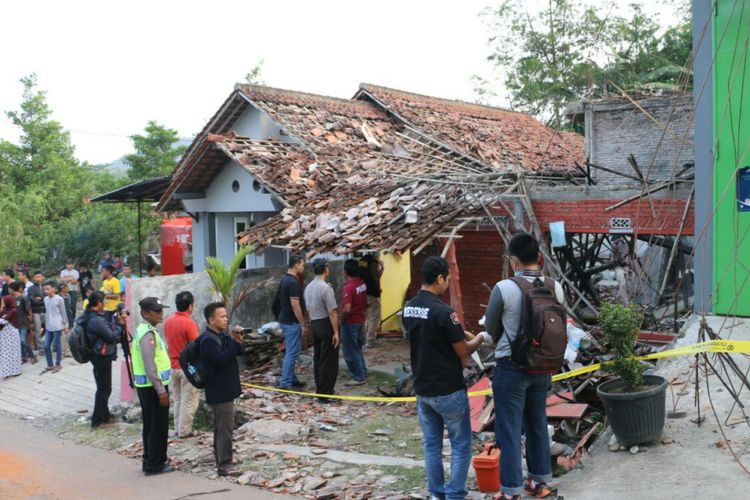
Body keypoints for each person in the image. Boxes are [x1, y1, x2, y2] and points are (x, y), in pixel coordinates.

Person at [484, 233, 564, 500]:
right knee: (537, 424)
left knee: (508, 429)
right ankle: (539, 483)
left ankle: (511, 491)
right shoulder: (556, 286)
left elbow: (492, 328)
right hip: (543, 367)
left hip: (512, 368)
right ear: (539, 257)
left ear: (514, 260)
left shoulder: (504, 288)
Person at [403, 256, 490, 500]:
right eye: (447, 280)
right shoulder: (444, 312)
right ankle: (454, 495)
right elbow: (463, 350)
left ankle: (436, 494)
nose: (447, 284)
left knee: (432, 445)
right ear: (440, 278)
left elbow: (428, 331)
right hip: (448, 389)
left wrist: (458, 331)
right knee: (460, 445)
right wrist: (481, 337)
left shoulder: (409, 307)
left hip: (423, 389)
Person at [199, 302, 244, 476]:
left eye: (226, 316)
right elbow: (222, 359)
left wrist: (237, 339)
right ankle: (224, 464)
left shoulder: (222, 336)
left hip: (227, 388)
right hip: (219, 391)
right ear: (211, 320)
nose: (226, 319)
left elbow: (237, 352)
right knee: (224, 428)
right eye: (222, 316)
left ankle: (223, 459)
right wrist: (233, 343)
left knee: (224, 427)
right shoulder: (208, 340)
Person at [132, 297, 173, 475]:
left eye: (161, 310)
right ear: (145, 313)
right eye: (157, 311)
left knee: (151, 425)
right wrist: (161, 390)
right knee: (157, 427)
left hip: (149, 387)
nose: (160, 313)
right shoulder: (147, 334)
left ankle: (150, 460)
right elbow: (150, 365)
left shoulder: (146, 331)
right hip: (153, 389)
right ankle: (155, 464)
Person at [83, 291, 125, 427]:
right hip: (101, 356)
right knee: (103, 389)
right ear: (99, 303)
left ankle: (105, 416)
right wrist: (120, 325)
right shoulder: (96, 320)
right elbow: (111, 336)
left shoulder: (90, 316)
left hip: (97, 355)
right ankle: (97, 421)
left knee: (103, 388)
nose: (105, 304)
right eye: (104, 301)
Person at [303, 258, 340, 403]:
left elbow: (307, 308)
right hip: (325, 323)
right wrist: (336, 332)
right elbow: (332, 312)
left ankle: (320, 389)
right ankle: (326, 392)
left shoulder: (308, 287)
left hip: (314, 323)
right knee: (328, 360)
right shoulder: (326, 288)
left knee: (318, 358)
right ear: (325, 269)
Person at [164, 291, 200, 438]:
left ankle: (178, 429)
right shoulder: (189, 323)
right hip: (186, 368)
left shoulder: (168, 321)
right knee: (189, 400)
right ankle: (185, 431)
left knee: (178, 399)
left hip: (172, 366)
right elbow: (195, 347)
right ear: (190, 306)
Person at [276, 255, 308, 390]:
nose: (303, 267)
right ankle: (285, 382)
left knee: (291, 351)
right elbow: (296, 305)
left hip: (285, 319)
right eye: (302, 265)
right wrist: (302, 324)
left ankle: (291, 378)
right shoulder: (293, 282)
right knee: (292, 353)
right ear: (296, 265)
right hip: (291, 321)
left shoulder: (285, 279)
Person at [340, 258, 368, 385]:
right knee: (358, 348)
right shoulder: (361, 283)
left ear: (345, 272)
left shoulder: (348, 287)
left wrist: (342, 318)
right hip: (360, 319)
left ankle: (358, 377)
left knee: (350, 350)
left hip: (350, 322)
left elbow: (347, 308)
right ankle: (363, 372)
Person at [42, 280, 69, 373]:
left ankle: (58, 364)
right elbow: (47, 313)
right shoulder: (45, 299)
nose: (46, 291)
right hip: (49, 326)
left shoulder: (59, 299)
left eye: (48, 289)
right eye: (45, 289)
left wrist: (65, 325)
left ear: (53, 289)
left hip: (58, 325)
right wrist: (45, 324)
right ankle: (50, 364)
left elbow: (63, 313)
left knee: (57, 345)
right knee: (46, 346)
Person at [359, 254, 384, 348]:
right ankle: (370, 340)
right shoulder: (373, 262)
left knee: (363, 317)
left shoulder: (361, 262)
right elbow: (376, 276)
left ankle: (363, 339)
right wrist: (382, 267)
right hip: (372, 294)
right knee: (374, 317)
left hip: (362, 293)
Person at [9, 282, 36, 363]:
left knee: (22, 340)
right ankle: (23, 357)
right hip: (15, 324)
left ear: (12, 289)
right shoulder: (11, 299)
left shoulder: (23, 298)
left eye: (9, 288)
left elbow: (29, 311)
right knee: (18, 341)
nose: (8, 290)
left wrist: (30, 322)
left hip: (23, 323)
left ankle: (32, 356)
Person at [0, 296, 23, 379]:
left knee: (13, 353)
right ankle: (7, 372)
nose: (2, 303)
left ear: (8, 301)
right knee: (6, 353)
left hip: (11, 335)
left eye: (3, 301)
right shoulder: (4, 310)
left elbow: (3, 321)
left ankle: (15, 371)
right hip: (5, 335)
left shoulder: (13, 310)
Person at [28, 271, 45, 353]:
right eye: (37, 277)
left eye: (40, 276)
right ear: (34, 278)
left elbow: (47, 298)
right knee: (38, 330)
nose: (38, 278)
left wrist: (40, 299)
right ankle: (41, 348)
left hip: (45, 310)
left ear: (42, 277)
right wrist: (42, 299)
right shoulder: (31, 288)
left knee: (49, 328)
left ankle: (50, 345)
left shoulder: (46, 287)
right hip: (36, 311)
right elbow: (32, 300)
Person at [59, 283, 74, 357]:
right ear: (62, 288)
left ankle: (67, 351)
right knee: (61, 335)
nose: (68, 288)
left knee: (69, 334)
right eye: (66, 287)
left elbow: (70, 306)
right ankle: (61, 351)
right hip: (61, 317)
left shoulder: (68, 296)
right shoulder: (58, 297)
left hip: (69, 315)